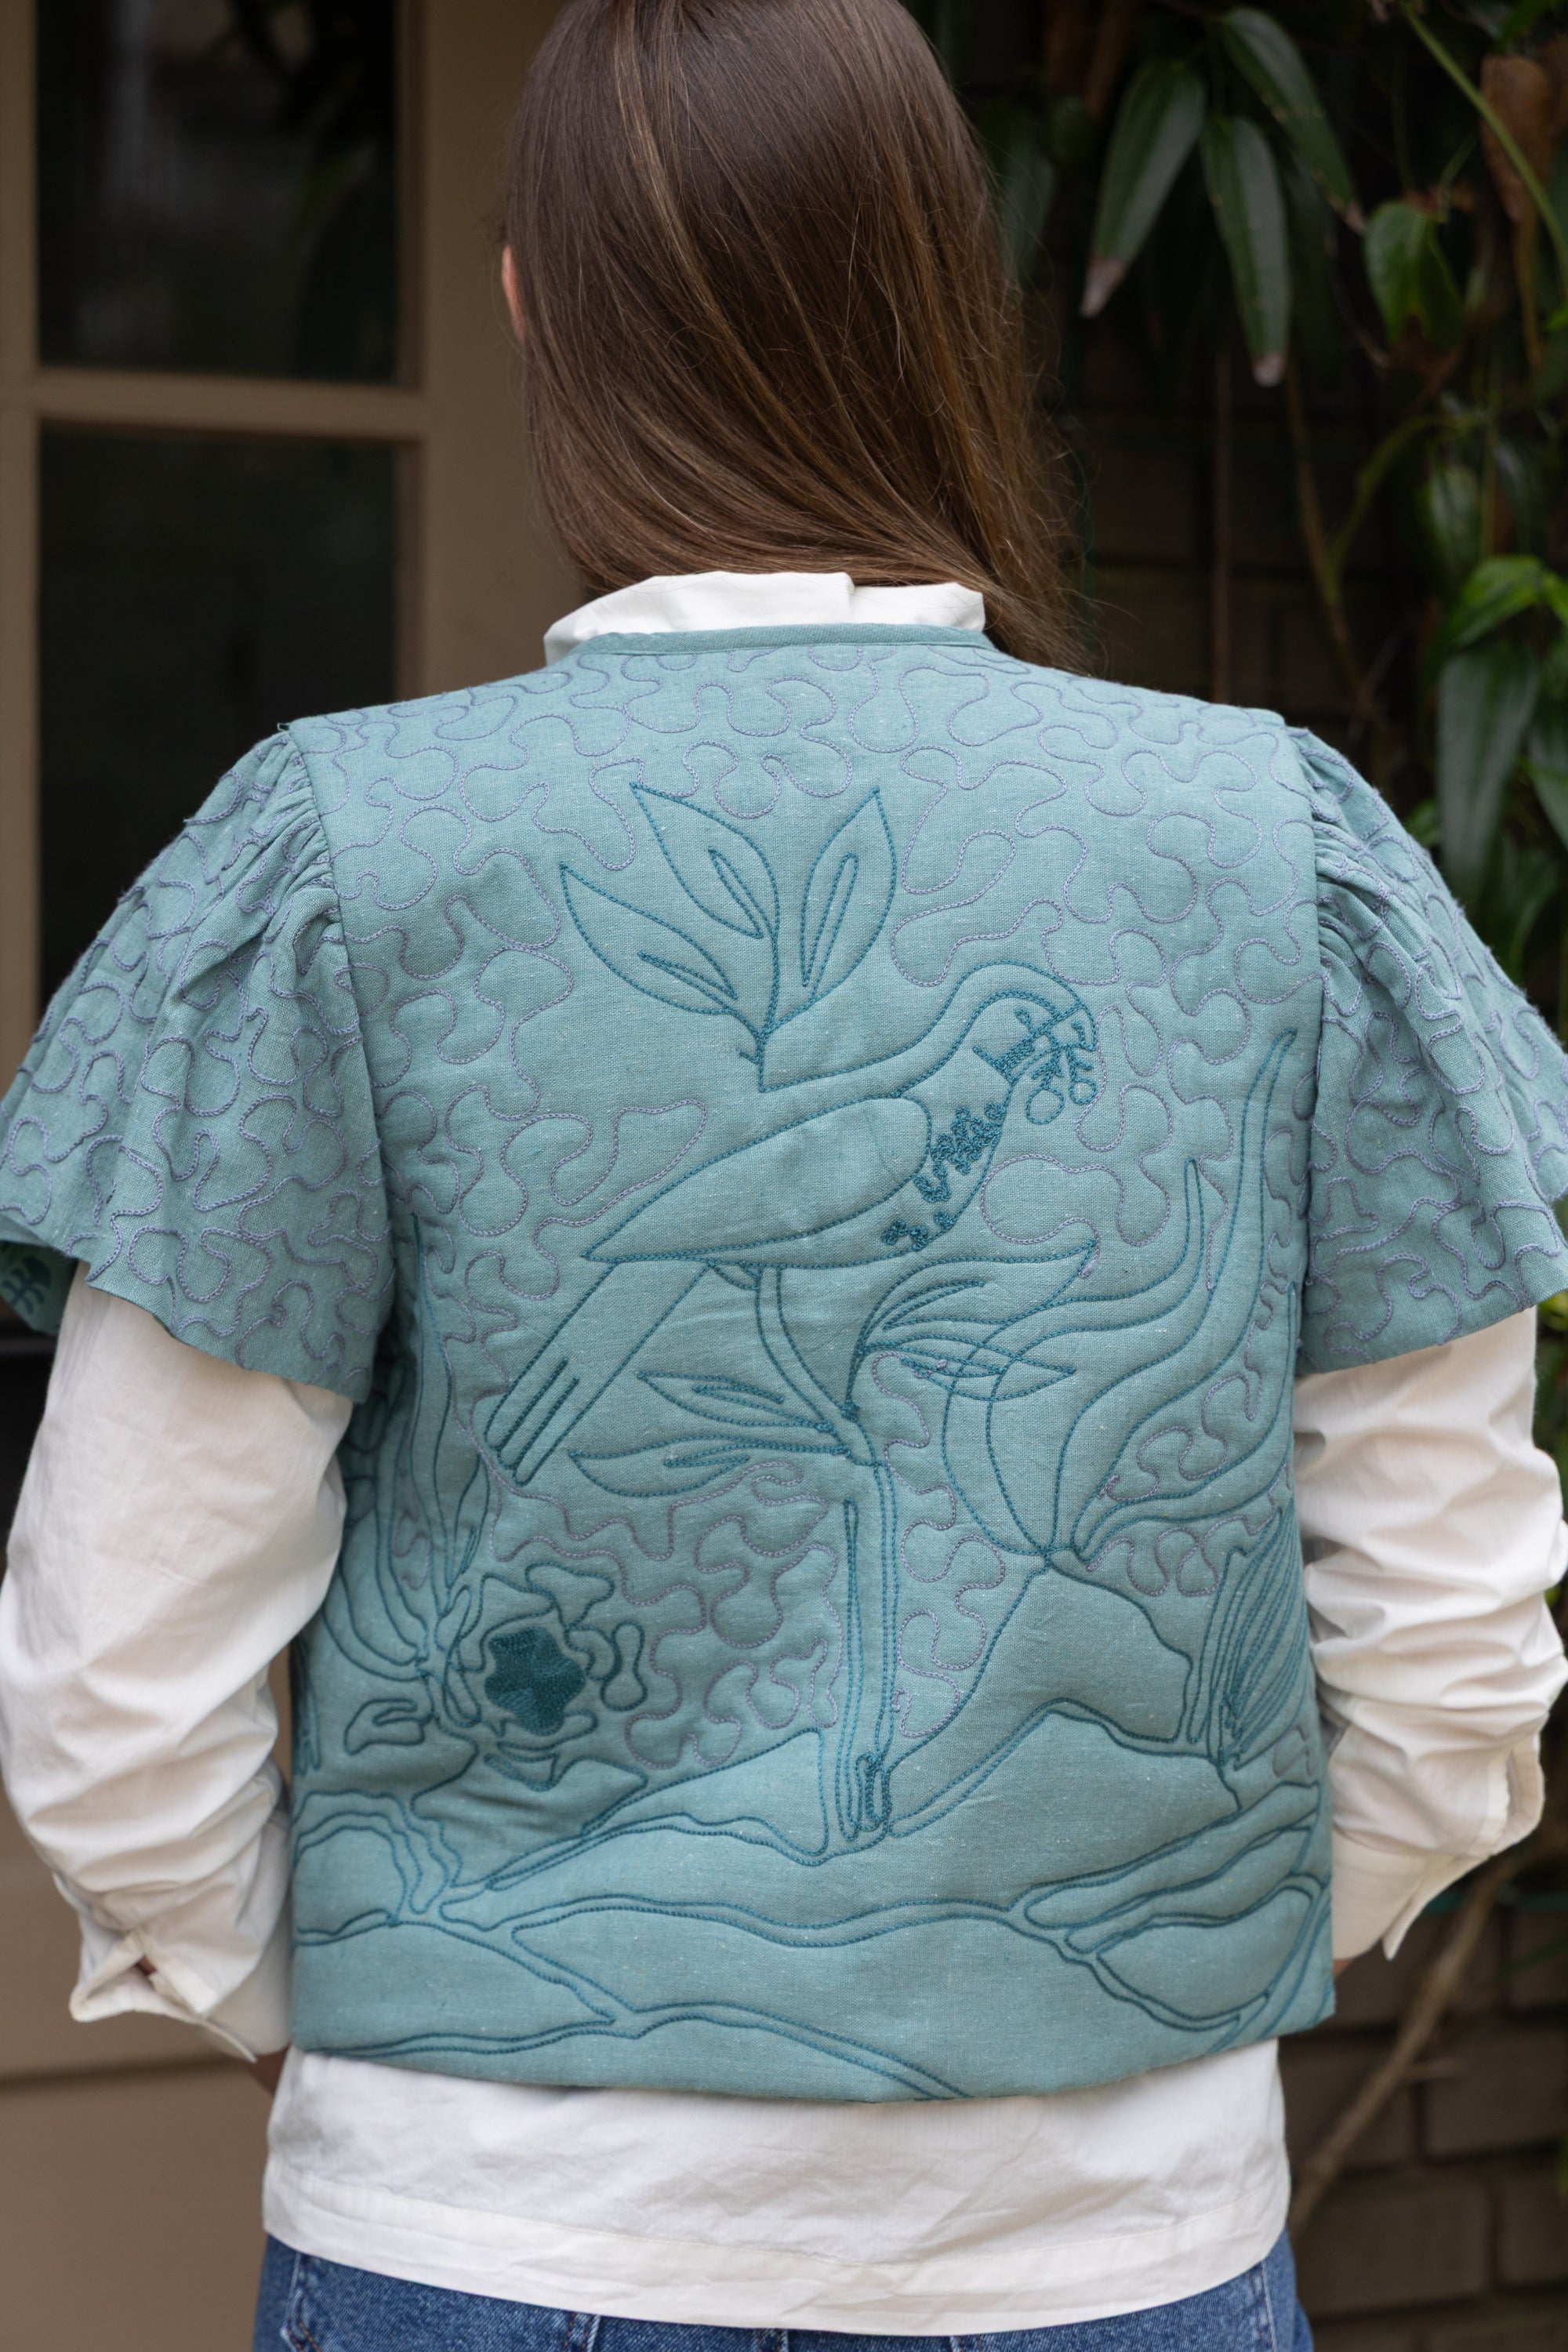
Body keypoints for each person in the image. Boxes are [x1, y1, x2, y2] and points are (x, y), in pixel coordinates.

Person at [1, 2, 1565, 2347]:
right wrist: (1125, 2010)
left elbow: (117, 1684)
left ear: (529, 307)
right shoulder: (1282, 853)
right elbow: (1452, 1665)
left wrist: (412, 2058)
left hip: (484, 2248)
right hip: (1126, 2252)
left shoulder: (337, 862)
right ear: (951, 301)